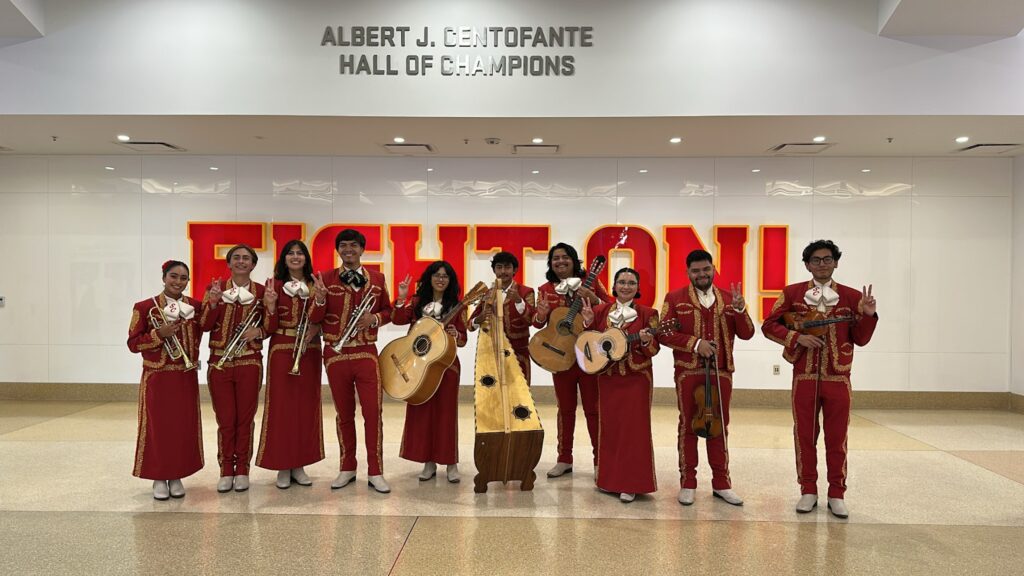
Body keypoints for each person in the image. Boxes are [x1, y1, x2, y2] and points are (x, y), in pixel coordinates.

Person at [761, 239, 878, 519]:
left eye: (827, 259)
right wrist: (796, 337)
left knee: (837, 439)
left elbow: (860, 339)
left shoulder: (852, 297)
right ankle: (808, 489)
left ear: (836, 262)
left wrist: (869, 314)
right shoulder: (792, 293)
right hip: (804, 375)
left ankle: (837, 492)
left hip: (838, 378)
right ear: (807, 265)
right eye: (816, 260)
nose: (822, 264)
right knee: (804, 436)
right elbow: (768, 325)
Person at [657, 249, 754, 507]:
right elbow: (663, 334)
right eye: (696, 270)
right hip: (688, 371)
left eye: (706, 269)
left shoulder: (729, 298)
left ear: (713, 269)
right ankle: (688, 482)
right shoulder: (675, 298)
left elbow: (747, 334)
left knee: (719, 427)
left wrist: (741, 310)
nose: (702, 274)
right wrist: (694, 343)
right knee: (688, 425)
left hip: (722, 371)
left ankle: (722, 484)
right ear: (688, 272)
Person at [316, 229, 394, 493]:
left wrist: (374, 319)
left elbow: (388, 310)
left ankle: (376, 470)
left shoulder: (378, 278)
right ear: (338, 250)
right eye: (343, 246)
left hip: (366, 352)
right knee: (344, 414)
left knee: (373, 414)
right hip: (336, 354)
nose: (348, 250)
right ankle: (347, 467)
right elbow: (316, 316)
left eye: (353, 245)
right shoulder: (325, 278)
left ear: (362, 249)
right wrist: (317, 298)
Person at [200, 244, 277, 493]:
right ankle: (225, 470)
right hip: (220, 361)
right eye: (236, 258)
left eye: (246, 259)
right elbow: (204, 325)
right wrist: (212, 303)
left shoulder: (263, 291)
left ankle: (242, 469)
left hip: (249, 361)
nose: (241, 262)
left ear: (253, 265)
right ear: (229, 263)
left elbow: (272, 325)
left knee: (245, 419)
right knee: (225, 420)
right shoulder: (215, 289)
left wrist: (261, 329)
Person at [531, 242, 611, 478]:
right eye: (555, 258)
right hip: (560, 356)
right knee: (564, 409)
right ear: (550, 263)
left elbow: (609, 310)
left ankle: (600, 460)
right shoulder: (545, 288)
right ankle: (564, 458)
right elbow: (537, 324)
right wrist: (542, 314)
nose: (560, 261)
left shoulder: (592, 283)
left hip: (588, 356)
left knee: (593, 410)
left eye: (565, 257)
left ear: (574, 261)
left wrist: (594, 299)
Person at [581, 267, 659, 503]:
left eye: (631, 282)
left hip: (636, 379)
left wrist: (646, 341)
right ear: (614, 286)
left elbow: (654, 349)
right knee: (610, 429)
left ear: (637, 288)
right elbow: (591, 346)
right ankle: (608, 480)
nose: (626, 286)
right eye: (622, 282)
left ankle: (632, 483)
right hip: (608, 378)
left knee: (635, 431)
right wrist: (587, 324)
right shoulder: (599, 310)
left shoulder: (649, 313)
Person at [127, 260, 204, 500]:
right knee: (158, 428)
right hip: (158, 377)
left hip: (184, 375)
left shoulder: (195, 306)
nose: (178, 282)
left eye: (183, 278)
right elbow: (132, 343)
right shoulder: (144, 307)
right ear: (163, 277)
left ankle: (177, 474)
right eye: (173, 276)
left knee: (181, 427)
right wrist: (158, 334)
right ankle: (159, 476)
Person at [256, 240, 328, 489]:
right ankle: (282, 465)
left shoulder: (315, 284)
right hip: (282, 350)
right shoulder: (273, 286)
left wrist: (319, 301)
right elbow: (269, 326)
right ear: (284, 259)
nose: (295, 257)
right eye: (291, 253)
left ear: (306, 258)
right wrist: (272, 305)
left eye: (300, 253)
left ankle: (300, 464)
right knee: (281, 409)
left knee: (305, 409)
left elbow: (322, 319)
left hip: (309, 351)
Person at [392, 261, 468, 483]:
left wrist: (455, 334)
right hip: (418, 366)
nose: (441, 279)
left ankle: (451, 463)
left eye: (445, 276)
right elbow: (398, 319)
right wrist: (401, 297)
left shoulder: (457, 306)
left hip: (446, 366)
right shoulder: (416, 303)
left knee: (446, 414)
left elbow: (463, 340)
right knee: (422, 413)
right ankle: (428, 462)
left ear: (451, 281)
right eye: (437, 275)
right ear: (429, 278)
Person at [468, 251, 535, 384]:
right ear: (494, 270)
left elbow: (530, 320)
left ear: (514, 270)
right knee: (495, 395)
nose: (503, 271)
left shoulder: (526, 291)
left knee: (521, 394)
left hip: (518, 352)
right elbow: (470, 325)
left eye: (507, 267)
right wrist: (478, 319)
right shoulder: (487, 293)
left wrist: (518, 301)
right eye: (499, 267)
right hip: (491, 352)